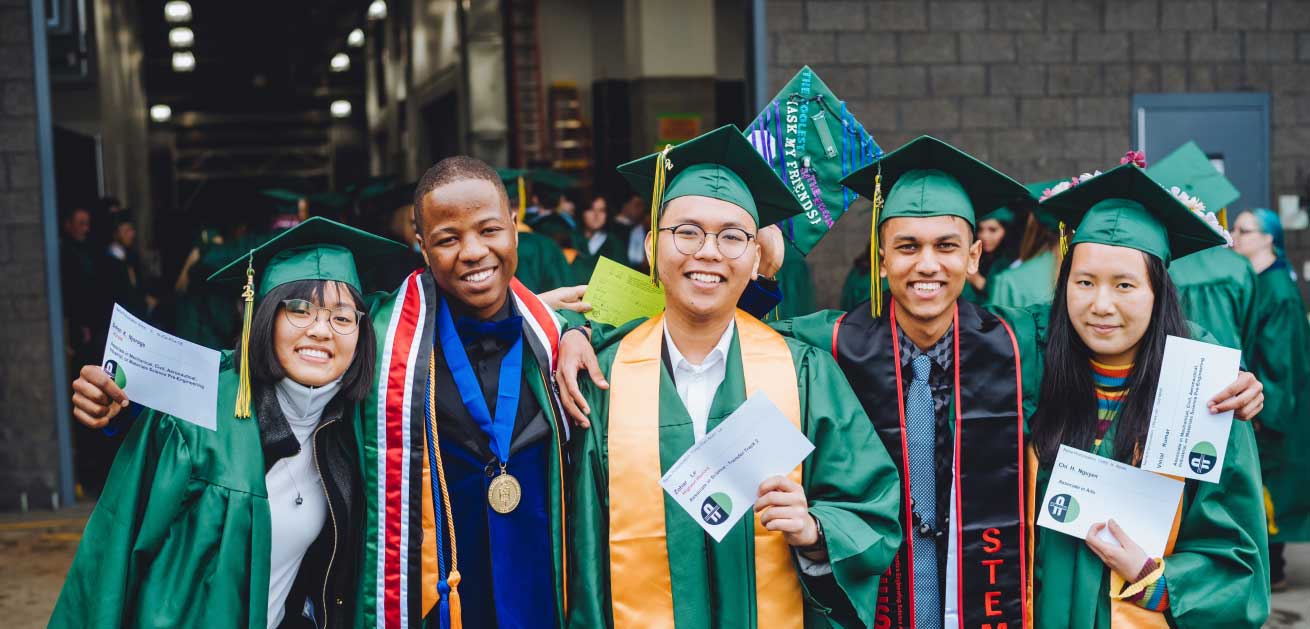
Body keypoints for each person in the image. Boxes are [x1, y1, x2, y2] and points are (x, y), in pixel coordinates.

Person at [555, 135, 1268, 629]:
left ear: (975, 252)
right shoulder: (817, 346)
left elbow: (1118, 335)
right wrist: (582, 331)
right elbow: (702, 314)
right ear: (881, 254)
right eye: (907, 245)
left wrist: (1227, 377)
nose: (927, 264)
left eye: (946, 245)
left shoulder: (1020, 344)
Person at [563, 125, 903, 627]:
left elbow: (872, 509)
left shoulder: (804, 374)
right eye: (688, 232)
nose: (708, 252)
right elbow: (580, 549)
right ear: (654, 246)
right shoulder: (601, 376)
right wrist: (562, 329)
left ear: (754, 259)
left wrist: (814, 531)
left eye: (732, 236)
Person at [52, 217, 406, 628]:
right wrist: (118, 410)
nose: (320, 331)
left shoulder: (353, 430)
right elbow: (112, 555)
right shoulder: (195, 419)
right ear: (264, 316)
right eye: (299, 310)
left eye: (342, 318)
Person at [1031, 163, 1269, 627]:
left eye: (1124, 285)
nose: (1101, 305)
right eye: (1084, 282)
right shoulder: (1030, 360)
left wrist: (1158, 580)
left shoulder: (1205, 392)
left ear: (1158, 292)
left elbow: (1238, 558)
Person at [1232, 206, 1310, 591]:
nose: (1235, 235)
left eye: (1245, 230)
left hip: (1277, 406)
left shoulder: (1279, 289)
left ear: (1268, 238)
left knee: (1273, 485)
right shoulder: (1258, 279)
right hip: (1265, 399)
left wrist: (1267, 410)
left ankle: (1274, 569)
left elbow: (1282, 358)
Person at [1148, 141, 1260, 353]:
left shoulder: (1161, 264)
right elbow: (1250, 332)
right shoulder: (1238, 267)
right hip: (1233, 370)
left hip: (1171, 367)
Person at [985, 196, 1062, 309]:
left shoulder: (1009, 281)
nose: (985, 236)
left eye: (993, 230)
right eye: (981, 230)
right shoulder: (1076, 272)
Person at [102, 212, 151, 319]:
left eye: (131, 230)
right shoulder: (108, 262)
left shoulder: (131, 256)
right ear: (115, 234)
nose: (132, 234)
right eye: (126, 231)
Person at [568, 194, 628, 283]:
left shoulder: (615, 244)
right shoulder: (569, 239)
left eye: (601, 210)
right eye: (591, 209)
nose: (596, 215)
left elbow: (621, 278)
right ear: (582, 212)